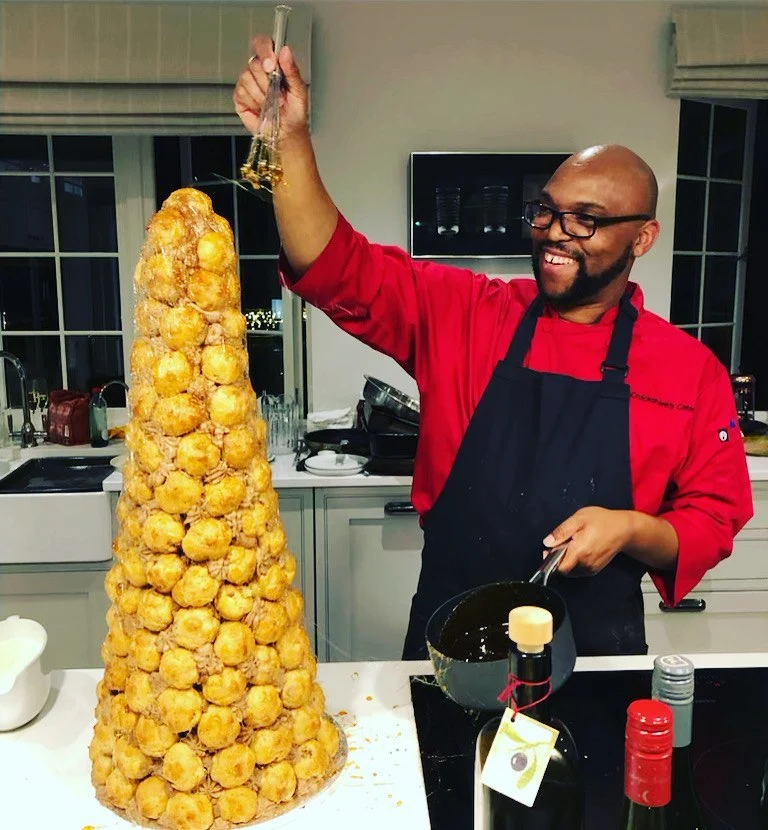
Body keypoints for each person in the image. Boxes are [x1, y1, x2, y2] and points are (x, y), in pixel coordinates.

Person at [233, 37, 754, 659]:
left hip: (592, 650)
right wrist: (289, 140)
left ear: (643, 237)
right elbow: (336, 265)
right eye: (547, 212)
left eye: (585, 219)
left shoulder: (687, 371)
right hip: (450, 632)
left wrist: (632, 528)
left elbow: (712, 519)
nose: (556, 234)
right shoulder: (468, 313)